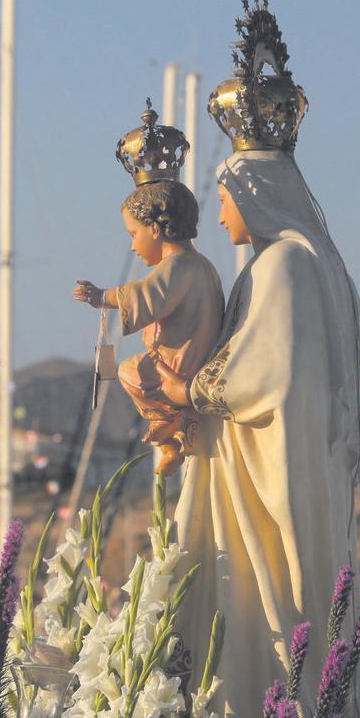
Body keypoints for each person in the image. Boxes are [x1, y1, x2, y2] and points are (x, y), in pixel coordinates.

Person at [153, 148, 360, 718]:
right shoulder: (308, 266)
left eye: (223, 200)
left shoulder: (282, 266)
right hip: (265, 463)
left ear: (254, 196)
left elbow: (264, 373)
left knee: (256, 602)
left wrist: (186, 387)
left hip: (260, 480)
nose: (220, 218)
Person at [73, 106, 224, 473]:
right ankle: (175, 428)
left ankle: (168, 420)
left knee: (128, 371)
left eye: (133, 235)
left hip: (180, 366)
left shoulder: (178, 269)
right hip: (193, 366)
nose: (133, 246)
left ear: (155, 229)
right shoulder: (201, 267)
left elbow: (144, 297)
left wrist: (102, 297)